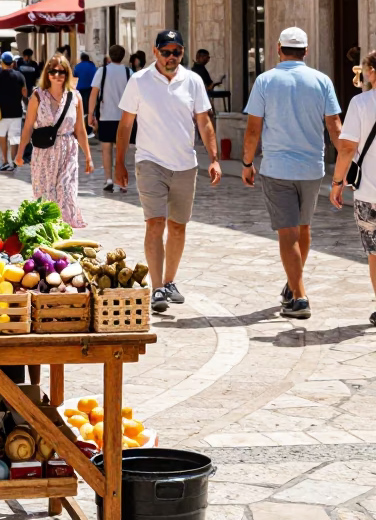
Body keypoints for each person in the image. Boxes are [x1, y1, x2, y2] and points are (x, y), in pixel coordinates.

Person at [114, 30, 221, 314]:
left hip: (185, 164)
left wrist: (214, 158)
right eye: (166, 51)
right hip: (150, 162)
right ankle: (157, 286)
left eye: (177, 52)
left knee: (177, 226)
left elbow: (204, 122)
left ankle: (170, 282)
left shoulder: (194, 81)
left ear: (183, 53)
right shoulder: (139, 81)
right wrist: (119, 163)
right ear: (155, 52)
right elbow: (125, 125)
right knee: (155, 223)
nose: (171, 57)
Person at [242, 26, 341, 321]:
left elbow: (253, 129)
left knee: (288, 232)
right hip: (312, 168)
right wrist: (347, 166)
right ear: (306, 51)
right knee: (303, 228)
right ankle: (292, 285)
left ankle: (300, 297)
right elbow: (335, 127)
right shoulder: (321, 81)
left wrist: (247, 163)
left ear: (278, 48)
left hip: (277, 168)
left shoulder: (265, 81)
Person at [15, 53, 93, 224]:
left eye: (61, 72)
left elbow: (80, 130)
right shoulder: (37, 96)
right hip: (44, 153)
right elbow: (28, 127)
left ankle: (65, 234)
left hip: (68, 151)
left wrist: (88, 156)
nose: (57, 75)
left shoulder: (75, 97)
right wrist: (20, 153)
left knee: (66, 193)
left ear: (67, 74)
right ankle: (49, 237)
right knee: (45, 198)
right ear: (47, 74)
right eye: (53, 72)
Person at [331, 50, 376, 326]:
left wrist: (337, 182)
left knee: (375, 252)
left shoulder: (361, 103)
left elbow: (347, 147)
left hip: (371, 192)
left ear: (371, 72)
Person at [89, 45, 130, 192]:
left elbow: (94, 93)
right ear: (123, 56)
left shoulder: (102, 71)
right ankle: (121, 181)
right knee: (121, 150)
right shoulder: (128, 72)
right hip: (124, 117)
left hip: (106, 115)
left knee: (106, 149)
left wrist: (90, 113)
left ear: (109, 56)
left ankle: (108, 179)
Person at [0, 52, 27, 171]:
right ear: (12, 63)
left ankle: (5, 161)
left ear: (2, 62)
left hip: (3, 111)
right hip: (16, 111)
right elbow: (24, 92)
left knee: (2, 136)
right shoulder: (20, 75)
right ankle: (13, 162)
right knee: (14, 138)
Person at [73, 51, 97, 132]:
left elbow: (75, 75)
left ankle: (82, 126)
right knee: (89, 108)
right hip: (90, 89)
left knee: (81, 108)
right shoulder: (92, 66)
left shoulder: (77, 66)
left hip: (80, 89)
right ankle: (89, 127)